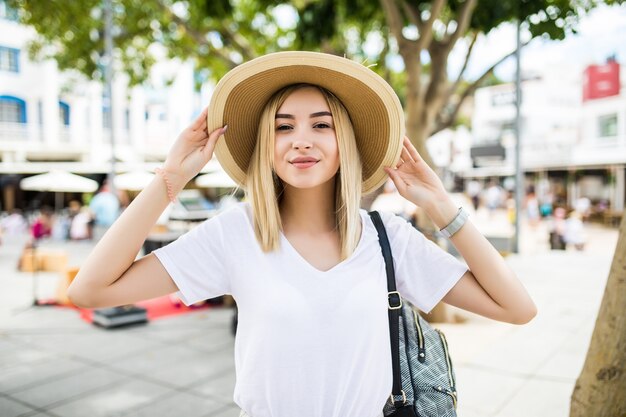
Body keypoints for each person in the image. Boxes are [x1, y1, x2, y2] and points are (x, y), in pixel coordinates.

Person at [68, 51, 536, 417]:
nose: (302, 140)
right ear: (266, 147)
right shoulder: (235, 233)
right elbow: (91, 290)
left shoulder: (387, 238)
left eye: (322, 125)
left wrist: (442, 207)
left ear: (345, 143)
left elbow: (517, 308)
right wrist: (168, 179)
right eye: (283, 127)